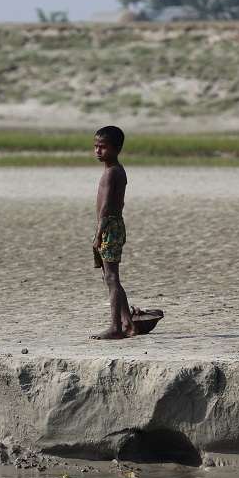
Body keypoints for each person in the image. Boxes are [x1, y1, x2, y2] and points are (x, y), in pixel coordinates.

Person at [91, 125, 137, 340]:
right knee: (110, 277)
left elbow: (107, 207)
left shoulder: (113, 172)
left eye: (103, 147)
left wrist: (100, 233)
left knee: (111, 277)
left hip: (109, 227)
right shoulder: (112, 170)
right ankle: (128, 323)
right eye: (96, 146)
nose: (98, 151)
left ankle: (116, 328)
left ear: (117, 149)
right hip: (109, 226)